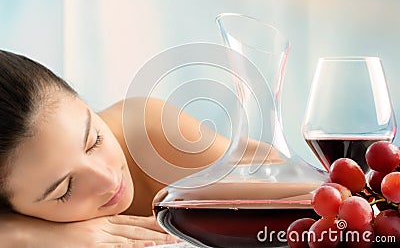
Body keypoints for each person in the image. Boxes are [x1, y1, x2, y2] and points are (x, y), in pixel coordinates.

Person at [0, 49, 278, 247]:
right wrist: (26, 236)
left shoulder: (150, 134)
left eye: (94, 140)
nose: (108, 179)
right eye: (65, 189)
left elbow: (293, 189)